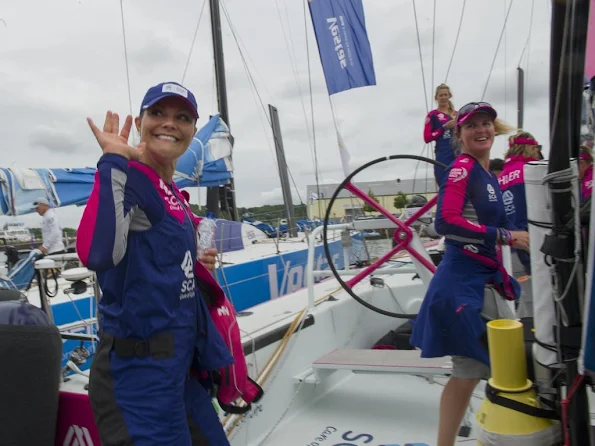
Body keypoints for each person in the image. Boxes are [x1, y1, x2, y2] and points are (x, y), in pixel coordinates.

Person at [77, 81, 232, 445]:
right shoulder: (131, 180)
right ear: (142, 120)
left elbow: (154, 255)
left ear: (193, 131)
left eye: (182, 117)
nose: (169, 123)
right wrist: (113, 160)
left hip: (178, 369)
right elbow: (97, 255)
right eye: (158, 113)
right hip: (136, 375)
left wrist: (192, 264)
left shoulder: (173, 192)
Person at [410, 102, 529, 446]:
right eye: (472, 125)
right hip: (462, 285)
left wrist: (533, 240)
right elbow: (444, 222)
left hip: (484, 281)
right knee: (472, 370)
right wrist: (506, 237)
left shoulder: (488, 173)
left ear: (495, 129)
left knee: (489, 366)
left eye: (486, 123)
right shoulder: (462, 168)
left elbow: (505, 224)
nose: (482, 130)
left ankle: (496, 430)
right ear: (459, 135)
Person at [497, 131, 541, 318]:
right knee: (538, 296)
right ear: (530, 147)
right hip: (531, 241)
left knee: (522, 294)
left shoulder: (501, 176)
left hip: (509, 244)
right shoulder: (530, 170)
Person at [423, 83, 458, 184]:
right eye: (441, 95)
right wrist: (444, 127)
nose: (443, 97)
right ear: (436, 98)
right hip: (443, 155)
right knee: (444, 184)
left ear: (449, 96)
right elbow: (427, 138)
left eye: (445, 95)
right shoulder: (433, 115)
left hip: (458, 153)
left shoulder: (457, 114)